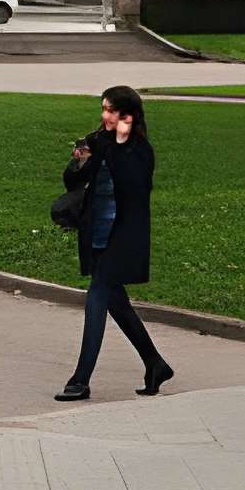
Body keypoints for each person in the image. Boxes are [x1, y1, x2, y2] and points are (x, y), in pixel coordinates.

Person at [55, 84, 172, 401]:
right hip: (97, 231)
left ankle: (80, 379)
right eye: (103, 108)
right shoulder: (97, 140)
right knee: (115, 301)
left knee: (97, 294)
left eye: (110, 109)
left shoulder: (139, 150)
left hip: (124, 234)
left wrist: (107, 149)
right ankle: (155, 363)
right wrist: (78, 160)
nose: (104, 114)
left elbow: (134, 189)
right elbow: (73, 180)